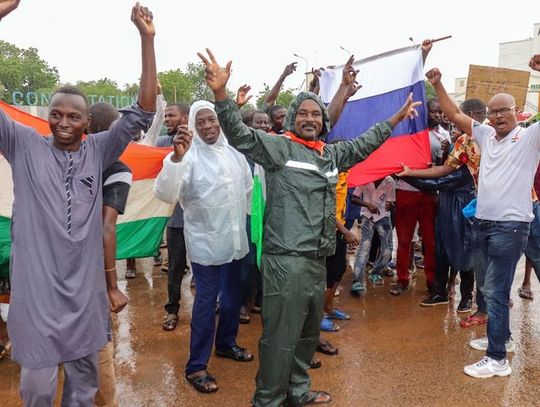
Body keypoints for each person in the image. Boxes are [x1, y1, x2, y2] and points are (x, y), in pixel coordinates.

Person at [198, 48, 421, 406]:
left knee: (305, 334)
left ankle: (297, 391)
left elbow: (364, 145)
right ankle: (268, 399)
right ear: (291, 120)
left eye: (315, 114)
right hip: (285, 260)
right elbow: (239, 134)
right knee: (280, 336)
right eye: (302, 113)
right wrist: (222, 96)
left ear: (323, 122)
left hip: (316, 260)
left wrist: (395, 120)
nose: (309, 118)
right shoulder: (277, 149)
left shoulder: (329, 155)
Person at [0, 2, 157, 405]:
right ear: (47, 117)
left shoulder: (101, 151)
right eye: (57, 115)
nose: (64, 123)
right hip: (36, 295)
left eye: (74, 116)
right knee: (36, 389)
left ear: (88, 122)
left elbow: (144, 109)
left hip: (85, 297)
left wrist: (146, 39)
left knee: (83, 391)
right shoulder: (23, 144)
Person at [425, 59, 540, 379]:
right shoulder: (486, 135)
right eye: (493, 111)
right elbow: (455, 114)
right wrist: (437, 84)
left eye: (504, 110)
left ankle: (498, 358)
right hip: (483, 223)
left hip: (511, 226)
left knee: (496, 289)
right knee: (491, 289)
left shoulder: (530, 137)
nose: (498, 116)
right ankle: (501, 338)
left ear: (516, 112)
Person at [153, 100, 254, 393]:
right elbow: (165, 193)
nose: (208, 126)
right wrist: (176, 159)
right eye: (201, 122)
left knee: (234, 299)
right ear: (193, 126)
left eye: (212, 120)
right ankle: (196, 366)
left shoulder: (234, 152)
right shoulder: (187, 156)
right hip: (206, 246)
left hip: (235, 243)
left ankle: (226, 344)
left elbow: (247, 191)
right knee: (206, 305)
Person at [86, 102, 131, 407]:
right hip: (88, 272)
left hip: (51, 264)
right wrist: (111, 285)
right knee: (99, 340)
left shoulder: (62, 155)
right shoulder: (118, 169)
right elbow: (106, 227)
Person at [155, 102, 191, 331]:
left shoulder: (201, 143)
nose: (167, 119)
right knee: (175, 266)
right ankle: (172, 310)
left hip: (201, 219)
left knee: (206, 265)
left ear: (185, 117)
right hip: (176, 219)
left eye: (171, 115)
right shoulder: (160, 144)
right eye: (165, 115)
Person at [350, 176, 396, 295]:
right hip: (367, 216)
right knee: (364, 248)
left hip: (383, 217)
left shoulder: (389, 181)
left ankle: (376, 271)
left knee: (387, 250)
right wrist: (367, 204)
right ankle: (357, 280)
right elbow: (354, 198)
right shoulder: (366, 178)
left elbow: (391, 203)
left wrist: (390, 206)